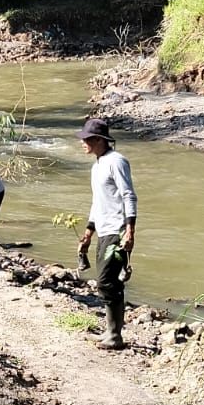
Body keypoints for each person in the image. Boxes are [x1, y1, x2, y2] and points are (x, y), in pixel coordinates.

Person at [75, 117, 136, 351]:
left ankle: (114, 335)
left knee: (106, 282)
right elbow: (97, 202)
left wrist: (129, 229)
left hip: (117, 229)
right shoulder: (97, 165)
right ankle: (111, 332)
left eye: (86, 139)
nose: (82, 143)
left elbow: (128, 195)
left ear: (99, 140)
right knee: (106, 282)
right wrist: (88, 232)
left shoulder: (116, 161)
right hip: (103, 229)